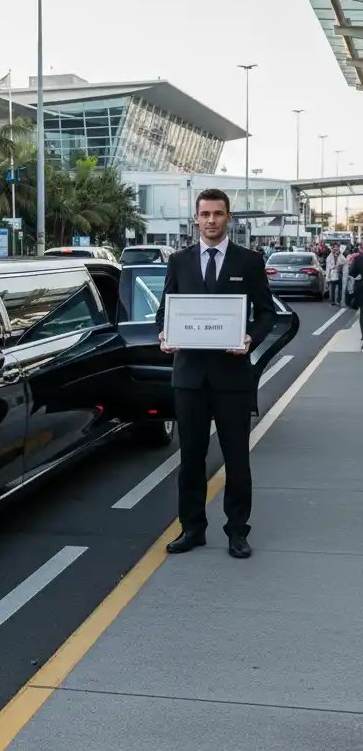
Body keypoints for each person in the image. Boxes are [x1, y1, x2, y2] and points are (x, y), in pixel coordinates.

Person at [156, 189, 276, 559]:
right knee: (190, 458)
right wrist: (164, 333)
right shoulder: (178, 261)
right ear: (196, 218)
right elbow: (165, 311)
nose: (211, 220)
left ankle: (237, 531)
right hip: (190, 377)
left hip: (232, 377)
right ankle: (192, 529)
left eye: (218, 214)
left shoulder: (250, 261)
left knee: (237, 458)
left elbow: (267, 313)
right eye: (205, 214)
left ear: (228, 217)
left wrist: (249, 339)